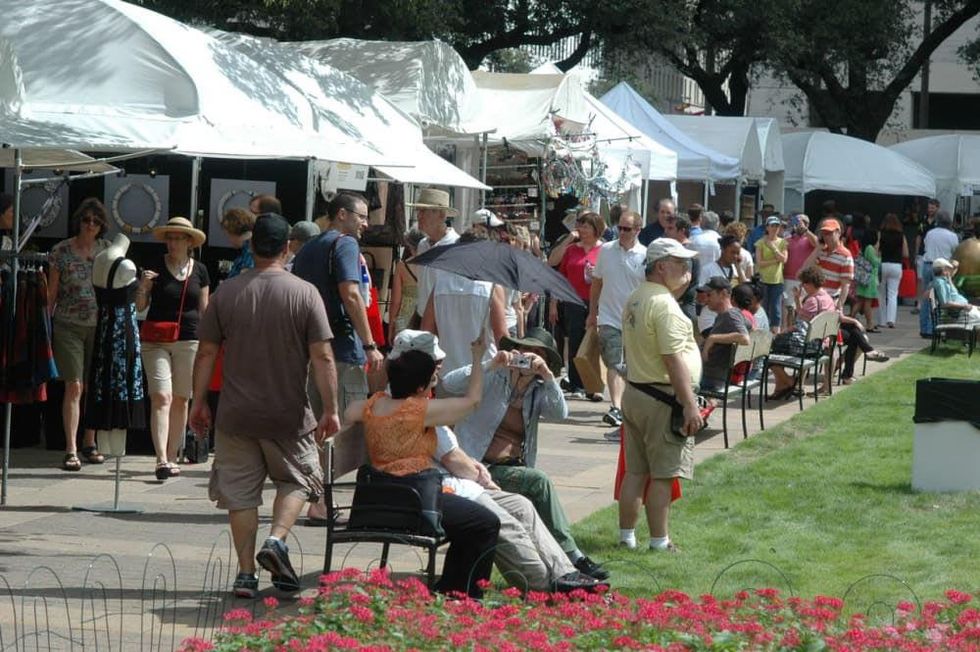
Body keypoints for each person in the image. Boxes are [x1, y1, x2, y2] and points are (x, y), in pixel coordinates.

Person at [190, 213, 341, 599]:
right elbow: (323, 356)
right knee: (298, 479)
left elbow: (206, 352)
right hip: (287, 414)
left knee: (239, 495)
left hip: (236, 414)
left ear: (252, 246)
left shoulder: (226, 292)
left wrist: (199, 402)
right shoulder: (305, 293)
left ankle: (244, 576)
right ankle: (276, 540)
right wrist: (331, 409)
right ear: (288, 247)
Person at [390, 330, 604, 592]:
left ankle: (567, 573)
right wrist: (488, 363)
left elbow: (561, 413)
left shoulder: (538, 388)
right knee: (508, 515)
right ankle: (544, 587)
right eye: (525, 351)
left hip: (470, 476)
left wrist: (548, 377)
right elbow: (455, 389)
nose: (529, 359)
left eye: (538, 355)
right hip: (461, 477)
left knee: (522, 506)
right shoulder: (487, 378)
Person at [343, 341, 500, 599]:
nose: (433, 388)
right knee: (486, 522)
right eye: (431, 382)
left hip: (380, 495)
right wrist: (477, 357)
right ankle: (467, 596)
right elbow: (472, 402)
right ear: (419, 388)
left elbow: (350, 411)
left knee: (470, 520)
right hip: (414, 500)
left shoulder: (375, 404)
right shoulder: (418, 410)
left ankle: (451, 589)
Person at [292, 192, 381, 522]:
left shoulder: (308, 249)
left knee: (318, 426)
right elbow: (351, 293)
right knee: (342, 428)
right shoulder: (344, 244)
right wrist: (370, 344)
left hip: (310, 349)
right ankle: (321, 503)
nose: (366, 223)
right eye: (361, 216)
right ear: (341, 214)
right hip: (341, 350)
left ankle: (316, 499)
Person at [619, 238, 702, 552]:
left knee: (636, 471)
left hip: (637, 392)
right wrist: (689, 404)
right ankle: (659, 541)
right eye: (680, 264)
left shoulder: (638, 297)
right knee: (664, 475)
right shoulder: (664, 304)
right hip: (662, 397)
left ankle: (626, 537)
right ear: (661, 266)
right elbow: (673, 358)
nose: (686, 270)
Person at [135, 217, 210, 480]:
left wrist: (211, 343)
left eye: (179, 237)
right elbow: (140, 307)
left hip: (189, 340)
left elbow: (204, 310)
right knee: (161, 396)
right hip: (155, 340)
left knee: (181, 398)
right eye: (170, 237)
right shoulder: (154, 267)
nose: (173, 242)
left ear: (189, 242)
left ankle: (171, 453)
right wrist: (143, 286)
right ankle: (161, 459)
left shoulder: (200, 270)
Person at [48, 198, 112, 471]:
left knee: (93, 386)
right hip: (68, 323)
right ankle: (71, 448)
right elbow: (51, 293)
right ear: (78, 221)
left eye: (96, 221)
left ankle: (90, 440)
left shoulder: (107, 250)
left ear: (101, 225)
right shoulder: (61, 250)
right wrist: (44, 323)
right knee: (74, 385)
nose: (90, 225)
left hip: (100, 324)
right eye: (86, 220)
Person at [587, 209, 647, 426]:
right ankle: (616, 407)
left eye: (626, 229)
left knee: (630, 366)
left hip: (635, 320)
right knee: (614, 362)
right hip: (609, 317)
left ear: (637, 230)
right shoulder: (606, 250)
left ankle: (627, 407)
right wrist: (593, 313)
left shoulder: (645, 256)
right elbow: (596, 283)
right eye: (619, 228)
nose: (621, 232)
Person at [422, 230, 506, 376]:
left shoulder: (440, 285)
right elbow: (502, 337)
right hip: (484, 373)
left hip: (447, 373)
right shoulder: (491, 287)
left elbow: (426, 332)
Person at [548, 212, 605, 401]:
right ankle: (576, 382)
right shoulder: (572, 249)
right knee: (575, 342)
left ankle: (593, 384)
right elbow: (556, 269)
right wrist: (554, 303)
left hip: (599, 301)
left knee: (595, 343)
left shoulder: (605, 250)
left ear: (596, 229)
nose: (581, 230)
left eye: (586, 226)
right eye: (580, 226)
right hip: (573, 301)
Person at [698, 277, 750, 393]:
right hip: (710, 374)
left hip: (710, 379)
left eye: (710, 295)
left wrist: (712, 338)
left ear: (723, 294)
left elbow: (744, 338)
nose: (706, 300)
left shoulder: (730, 315)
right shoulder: (731, 313)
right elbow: (750, 327)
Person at [920, 211, 960, 337]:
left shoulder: (930, 233)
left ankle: (924, 327)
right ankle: (934, 328)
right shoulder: (952, 236)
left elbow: (925, 246)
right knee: (940, 298)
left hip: (928, 264)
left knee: (927, 297)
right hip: (942, 266)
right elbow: (956, 251)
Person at [801, 218, 852, 311]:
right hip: (815, 299)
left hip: (831, 301)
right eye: (824, 234)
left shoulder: (845, 256)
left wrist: (839, 306)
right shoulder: (821, 252)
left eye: (829, 233)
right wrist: (817, 249)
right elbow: (804, 270)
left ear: (838, 233)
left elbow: (845, 285)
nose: (826, 237)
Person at [386, 229, 425, 344]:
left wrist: (391, 326)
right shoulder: (433, 266)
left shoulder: (402, 267)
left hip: (405, 318)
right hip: (426, 314)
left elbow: (396, 301)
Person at [783, 213, 818, 328]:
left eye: (802, 223)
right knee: (789, 308)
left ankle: (801, 332)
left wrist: (806, 231)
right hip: (788, 278)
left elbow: (818, 244)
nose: (799, 225)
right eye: (797, 223)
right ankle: (789, 332)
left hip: (804, 279)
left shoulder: (809, 239)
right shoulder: (787, 239)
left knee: (803, 308)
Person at [754, 215, 788, 333]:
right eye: (772, 225)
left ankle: (775, 334)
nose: (775, 228)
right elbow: (760, 263)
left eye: (777, 226)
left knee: (776, 308)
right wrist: (775, 260)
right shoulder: (760, 242)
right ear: (767, 227)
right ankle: (762, 331)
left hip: (777, 280)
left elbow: (784, 259)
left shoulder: (782, 242)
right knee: (763, 307)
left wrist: (773, 248)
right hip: (763, 279)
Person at [877, 213, 909, 329]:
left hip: (884, 264)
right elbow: (906, 253)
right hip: (896, 265)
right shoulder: (901, 235)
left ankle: (882, 321)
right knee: (892, 294)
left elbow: (877, 251)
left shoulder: (881, 234)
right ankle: (891, 320)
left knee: (881, 293)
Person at [931, 258, 980, 325]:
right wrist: (964, 305)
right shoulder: (940, 283)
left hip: (964, 310)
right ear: (943, 270)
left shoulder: (943, 281)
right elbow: (945, 303)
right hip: (962, 314)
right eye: (948, 268)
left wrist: (949, 279)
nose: (950, 270)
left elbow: (955, 292)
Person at [852, 228, 881, 332]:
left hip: (863, 278)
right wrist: (879, 255)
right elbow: (875, 262)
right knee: (867, 303)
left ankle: (851, 318)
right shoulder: (870, 248)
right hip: (869, 279)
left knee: (860, 302)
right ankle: (870, 324)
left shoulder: (864, 247)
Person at [220, 208, 255, 279]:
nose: (228, 239)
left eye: (227, 234)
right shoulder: (252, 247)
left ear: (231, 231)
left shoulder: (249, 251)